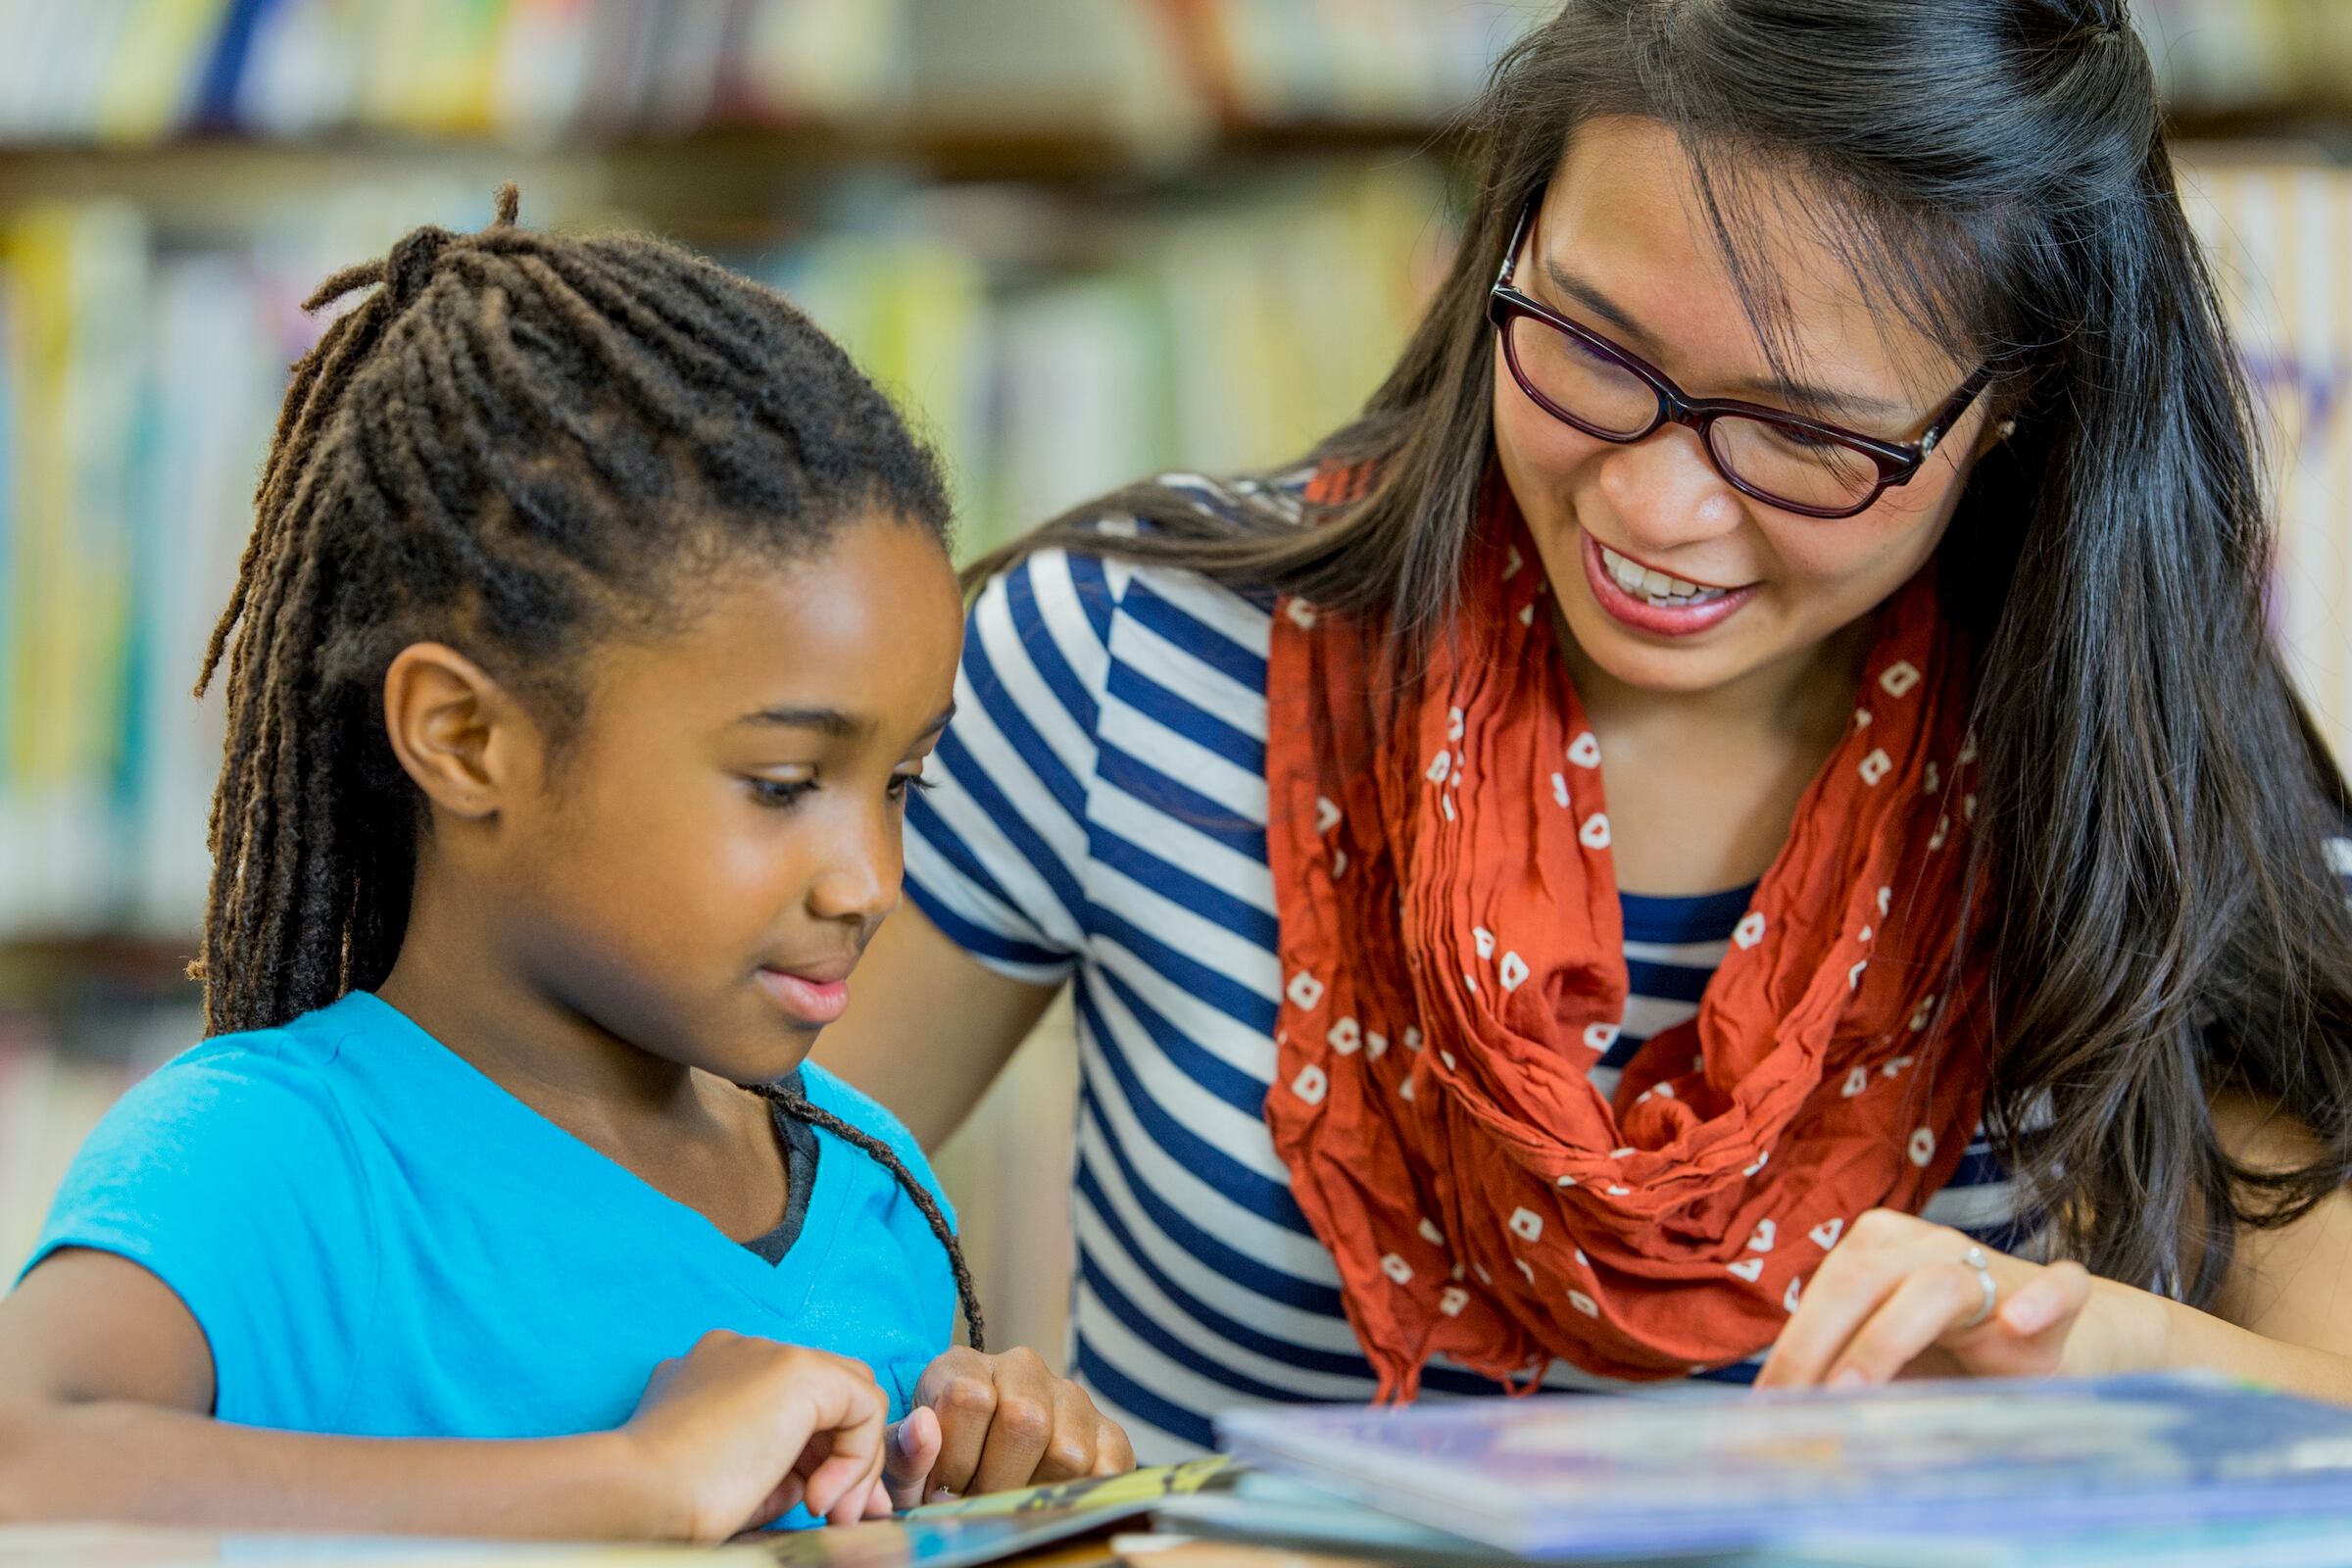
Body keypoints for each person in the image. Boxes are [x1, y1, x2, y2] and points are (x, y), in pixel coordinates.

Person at [817, 0, 2352, 1459]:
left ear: (2016, 408)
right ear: (1506, 237)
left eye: (1805, 435)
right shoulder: (1122, 662)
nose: (1652, 504)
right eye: (1595, 348)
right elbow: (710, 1264)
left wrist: (2107, 1356)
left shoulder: (2138, 765)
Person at [0, 189, 1129, 1540]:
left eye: (902, 786)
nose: (868, 879)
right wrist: (634, 1487)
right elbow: (22, 1469)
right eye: (781, 785)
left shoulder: (878, 1190)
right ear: (466, 739)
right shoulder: (278, 1158)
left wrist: (992, 1505)